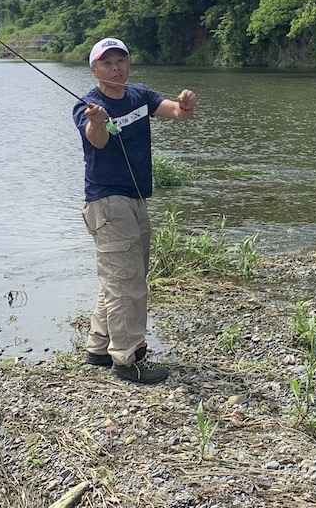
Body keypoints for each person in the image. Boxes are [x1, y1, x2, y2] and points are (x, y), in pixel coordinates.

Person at [73, 37, 198, 384]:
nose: (116, 69)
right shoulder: (88, 104)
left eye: (121, 61)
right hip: (107, 202)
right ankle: (127, 361)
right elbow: (96, 140)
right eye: (107, 63)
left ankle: (98, 348)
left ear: (128, 64)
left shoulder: (139, 95)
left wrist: (184, 104)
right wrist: (97, 121)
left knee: (125, 275)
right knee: (126, 282)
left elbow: (173, 111)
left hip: (136, 199)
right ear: (95, 69)